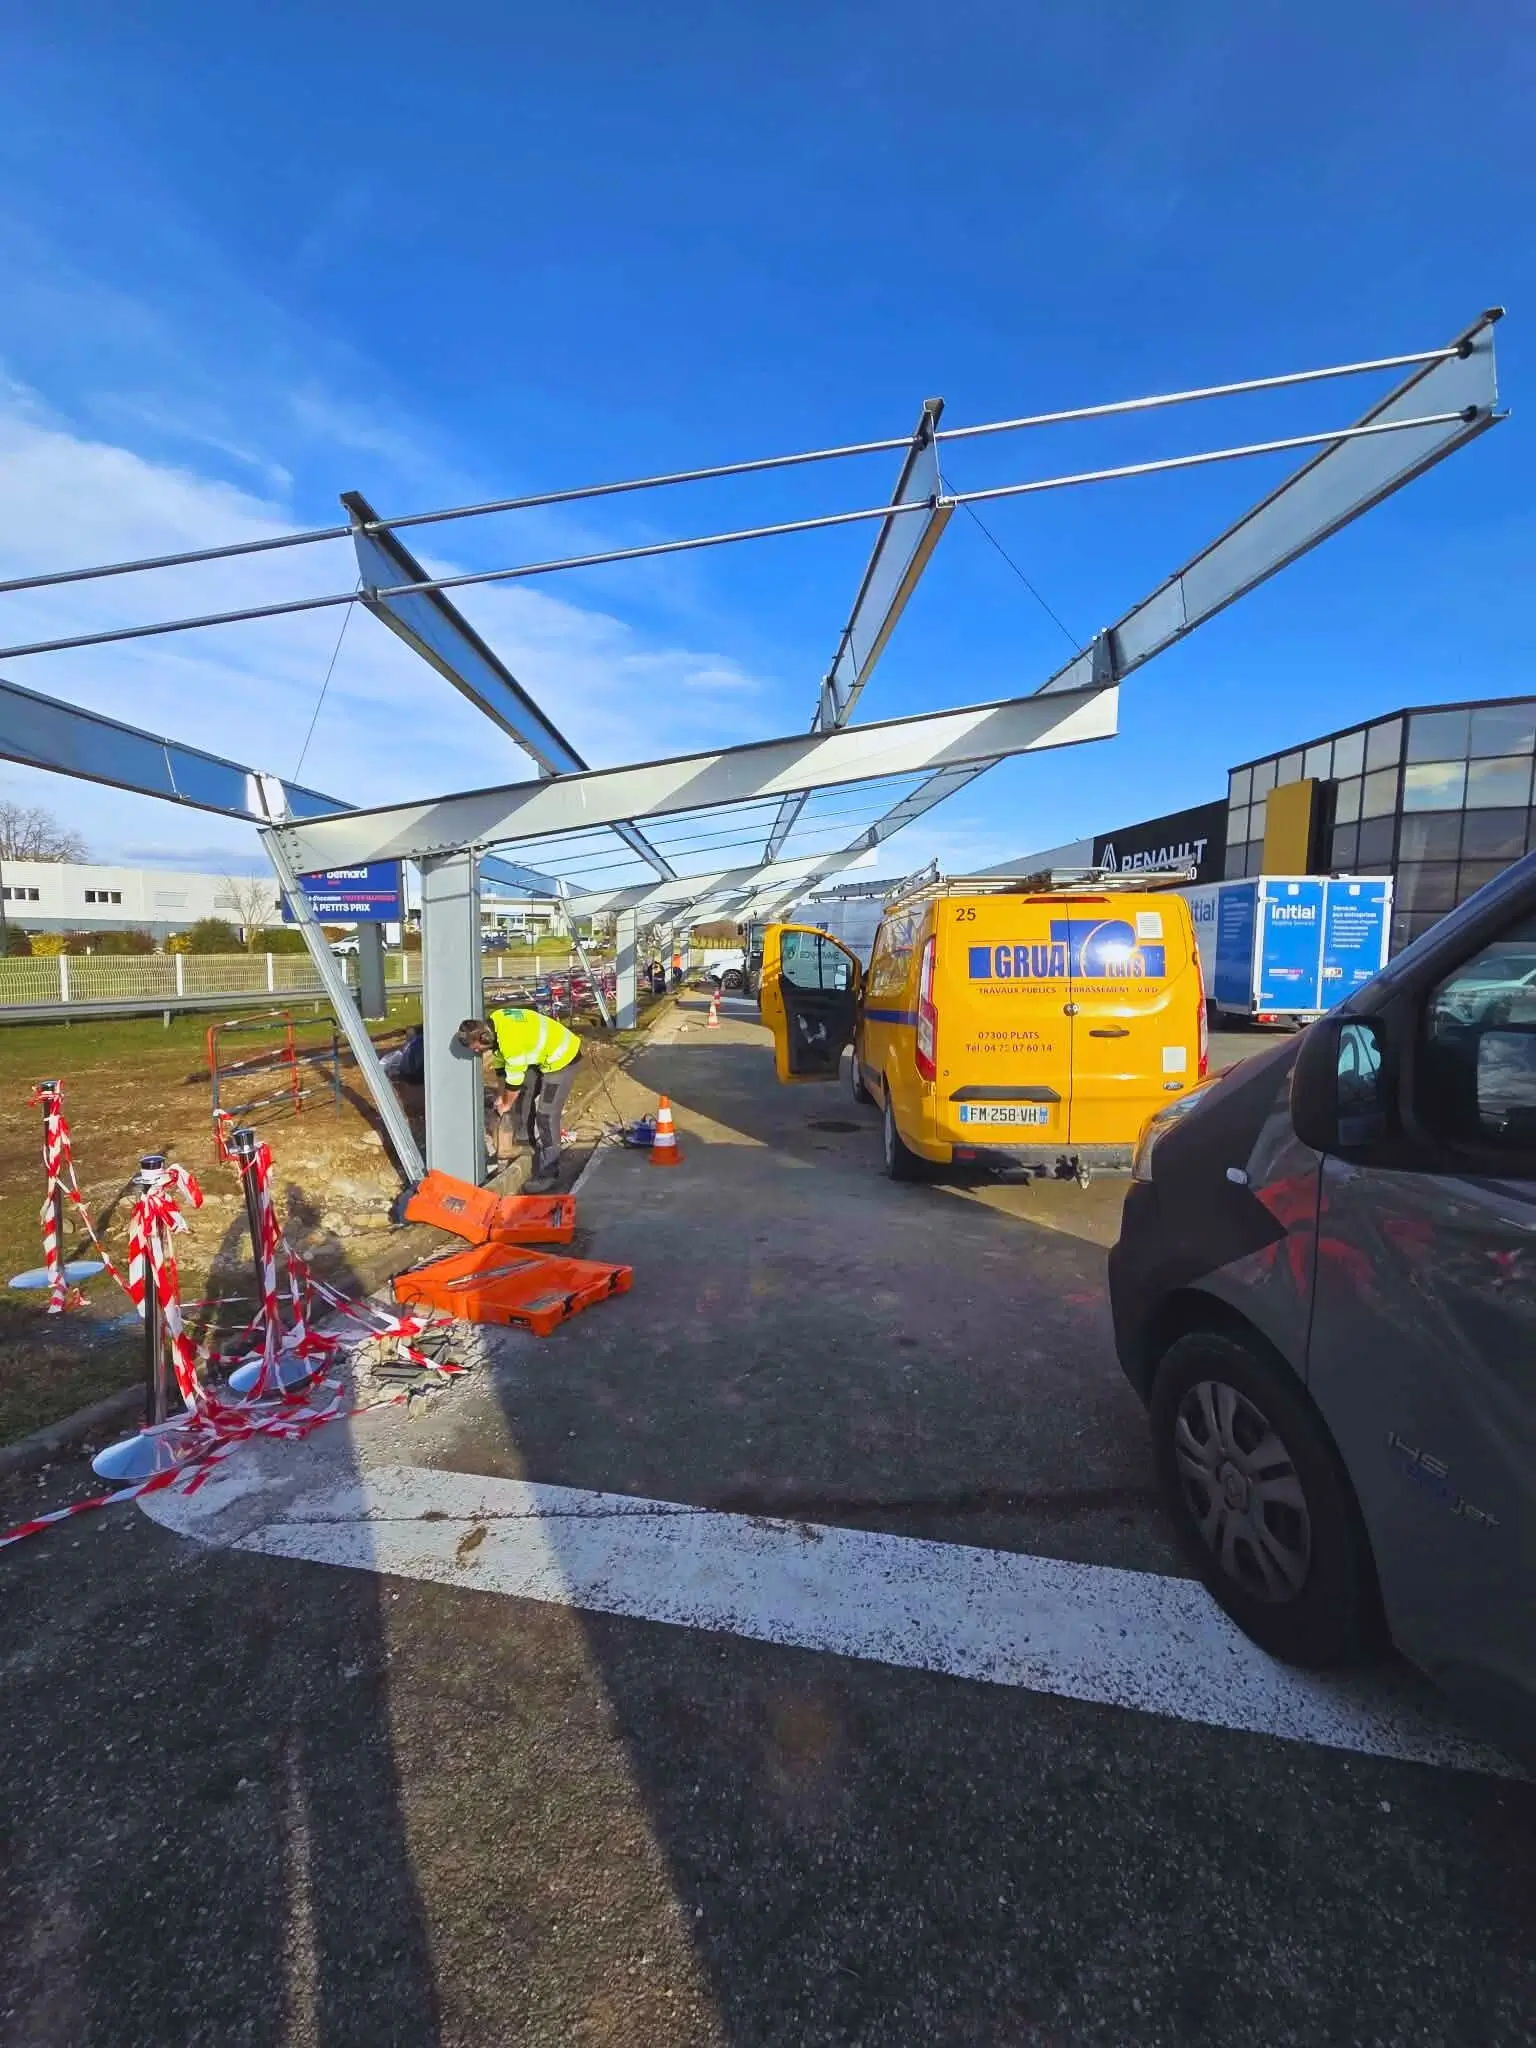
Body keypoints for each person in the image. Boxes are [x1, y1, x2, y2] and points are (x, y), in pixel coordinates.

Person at [455, 1008, 582, 1193]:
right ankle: (525, 1144)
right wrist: (501, 1096)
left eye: (476, 1048)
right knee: (523, 1095)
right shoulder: (496, 1025)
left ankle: (549, 1172)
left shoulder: (510, 1042)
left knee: (546, 1115)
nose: (476, 1052)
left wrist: (506, 1104)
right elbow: (502, 1071)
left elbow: (514, 1082)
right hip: (540, 1054)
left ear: (485, 1038)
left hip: (562, 1057)